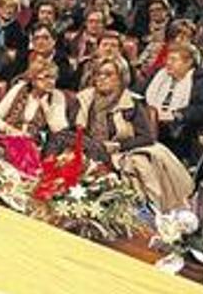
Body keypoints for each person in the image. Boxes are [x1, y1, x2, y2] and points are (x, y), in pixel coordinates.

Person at [74, 56, 192, 211]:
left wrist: (118, 146)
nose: (101, 78)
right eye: (98, 74)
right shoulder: (85, 99)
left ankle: (146, 210)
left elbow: (147, 137)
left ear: (121, 79)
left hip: (121, 151)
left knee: (139, 164)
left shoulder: (131, 103)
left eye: (108, 74)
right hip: (91, 148)